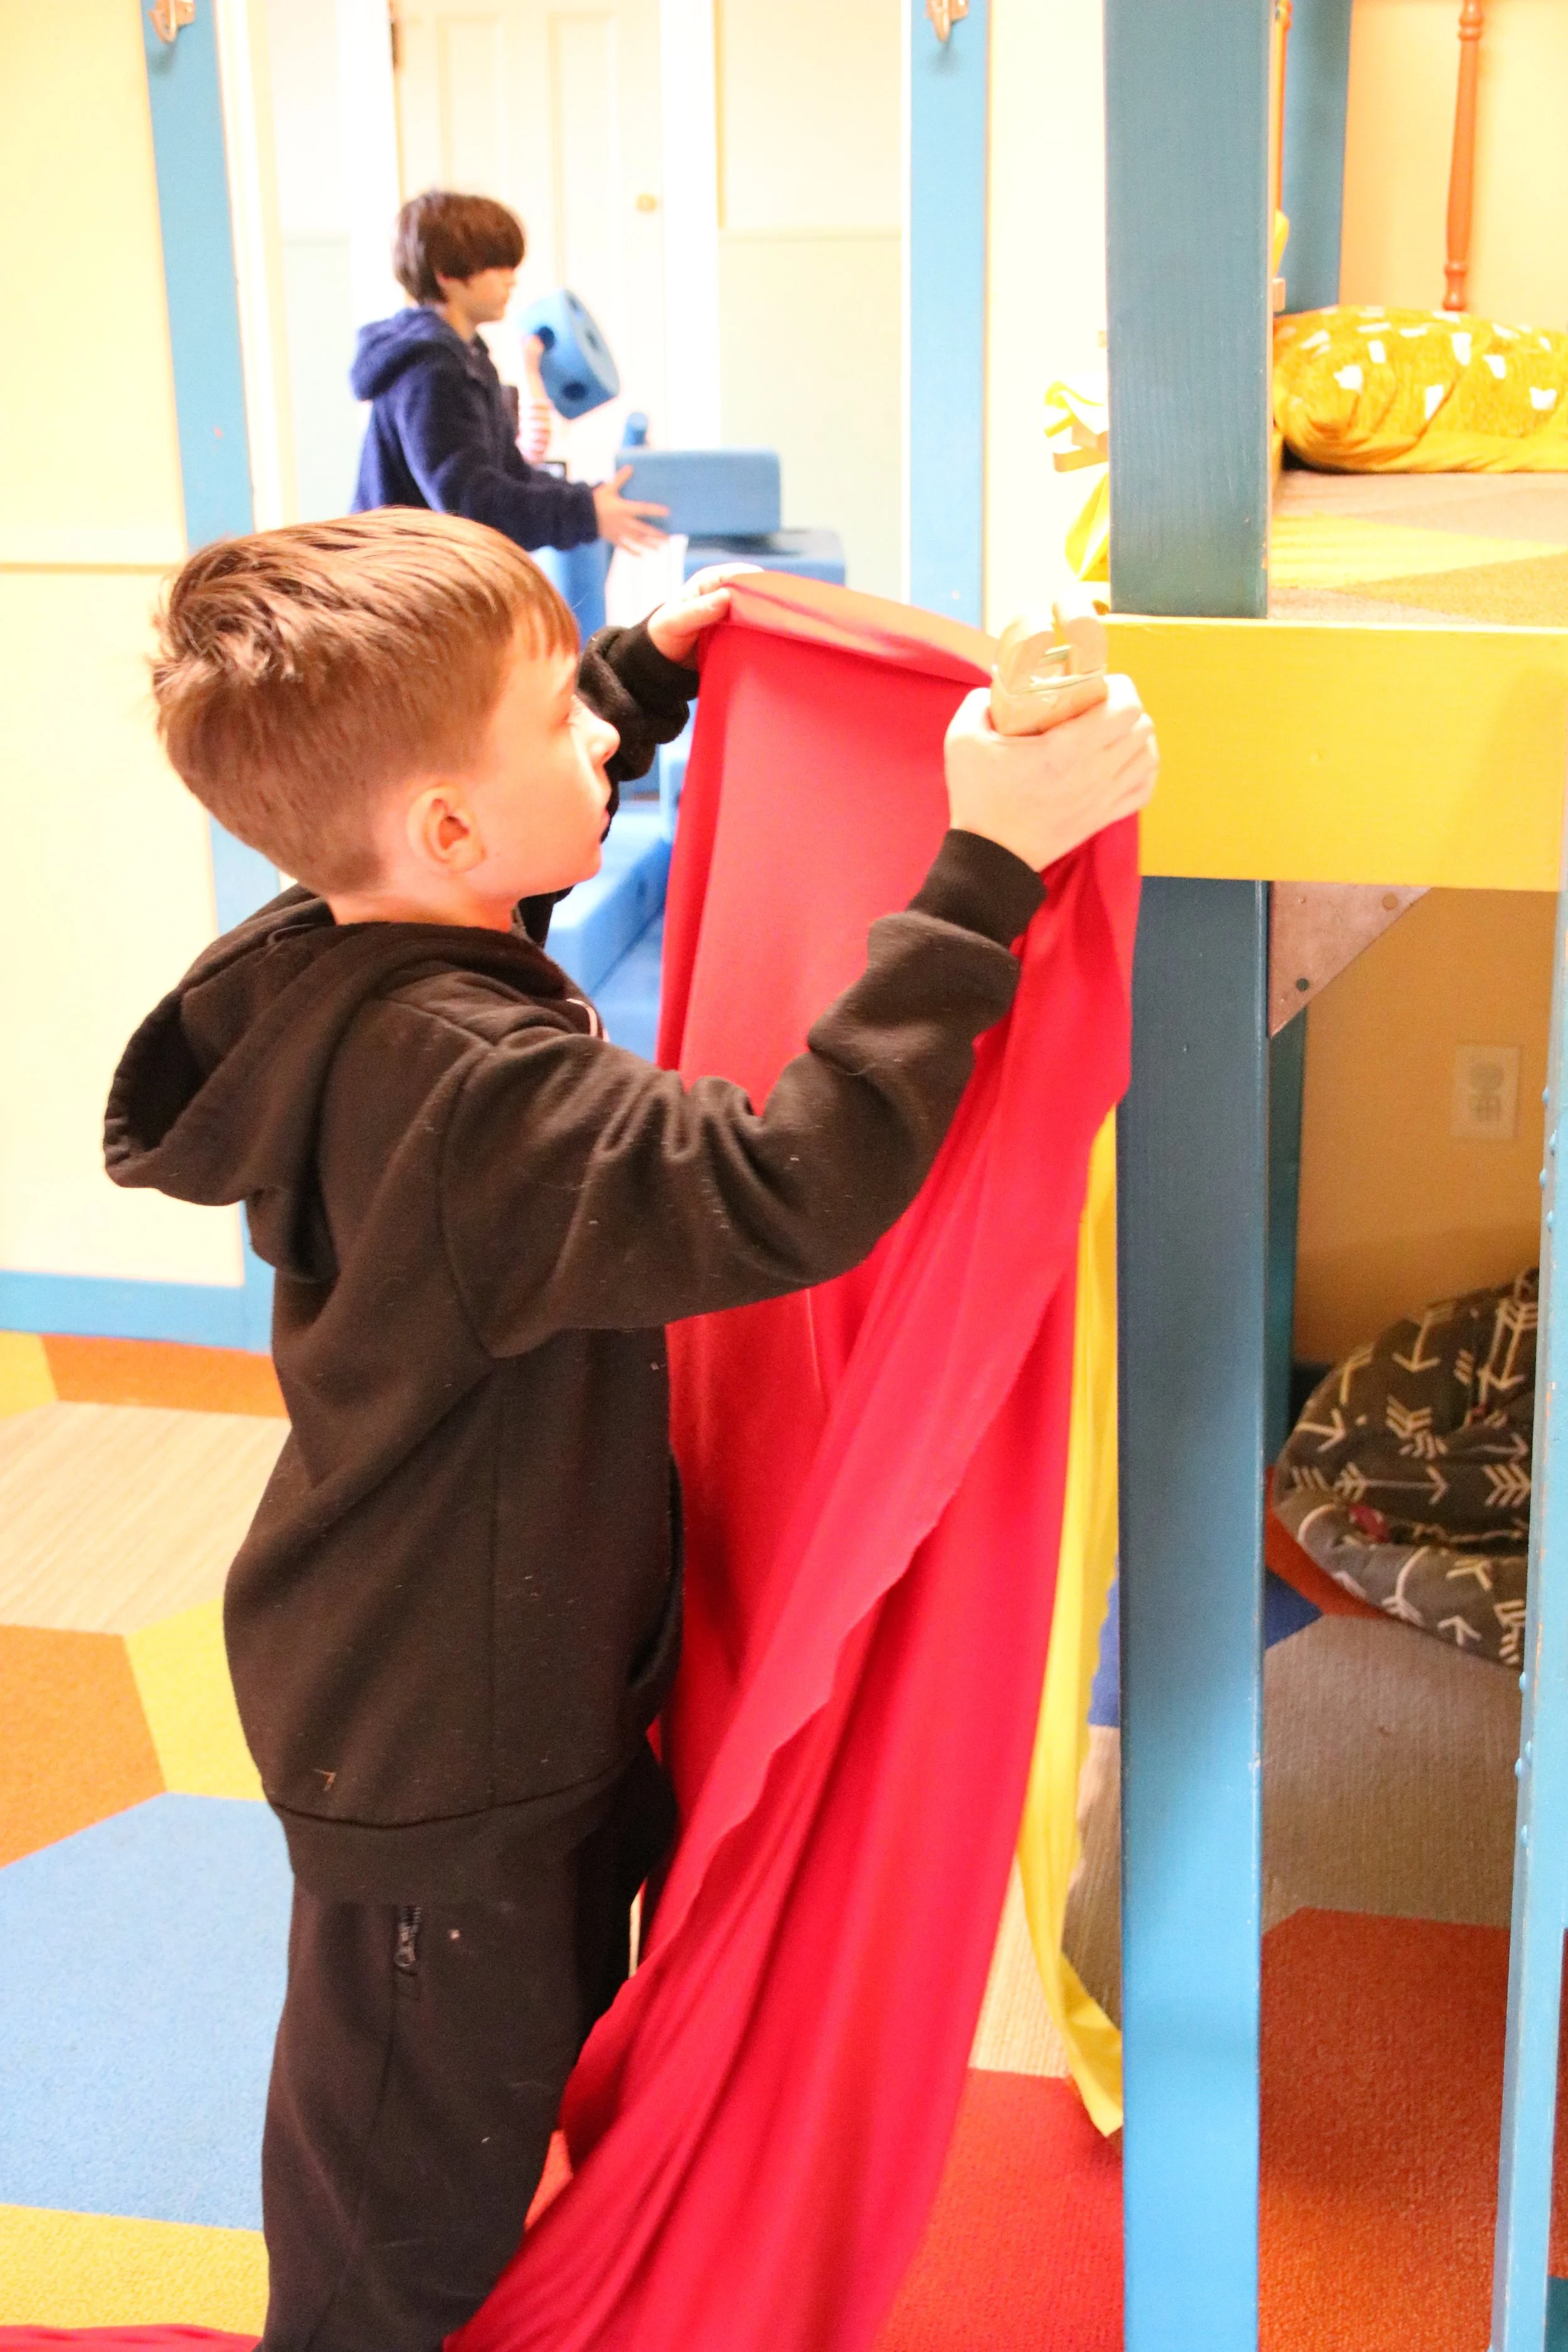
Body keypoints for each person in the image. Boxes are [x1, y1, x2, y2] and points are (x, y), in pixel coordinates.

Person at [104, 509, 1157, 2351]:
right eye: (557, 721)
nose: (595, 745)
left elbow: (464, 826)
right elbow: (777, 1186)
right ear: (446, 826)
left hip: (472, 1689)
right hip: (445, 1756)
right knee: (399, 2195)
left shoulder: (339, 947)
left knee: (492, 2107)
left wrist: (639, 676)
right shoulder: (466, 1084)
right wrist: (983, 862)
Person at [351, 188, 666, 558]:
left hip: (428, 573)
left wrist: (589, 499)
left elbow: (510, 474)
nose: (511, 279)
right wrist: (585, 512)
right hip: (398, 581)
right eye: (495, 265)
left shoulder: (467, 358)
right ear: (447, 275)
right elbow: (471, 506)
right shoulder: (430, 370)